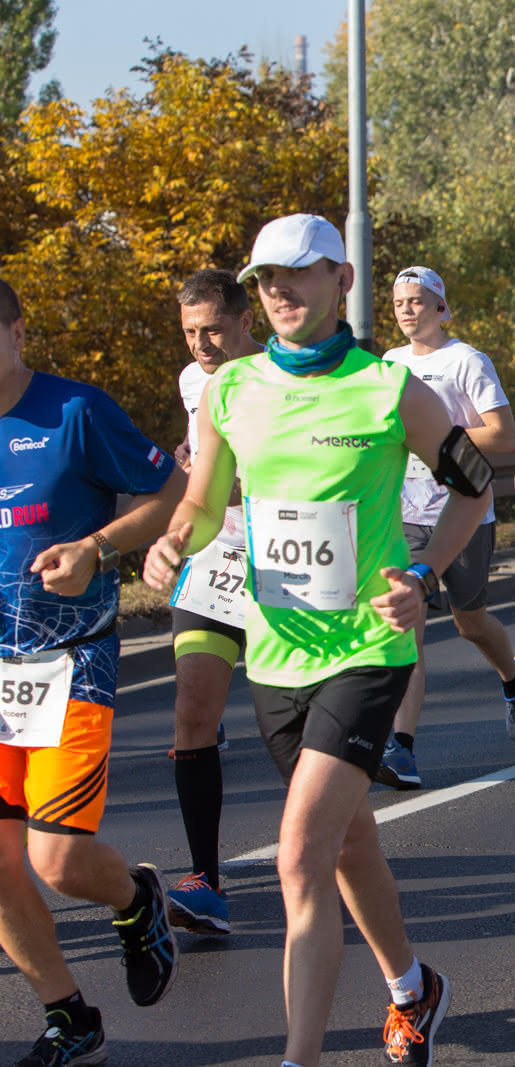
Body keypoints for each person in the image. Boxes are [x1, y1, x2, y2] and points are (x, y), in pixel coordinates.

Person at [143, 213, 494, 1065]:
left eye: (298, 275)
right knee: (348, 843)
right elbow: (202, 501)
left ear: (341, 278)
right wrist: (169, 542)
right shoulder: (231, 389)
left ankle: (299, 1056)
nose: (280, 293)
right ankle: (415, 986)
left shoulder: (387, 388)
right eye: (266, 280)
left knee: (300, 853)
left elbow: (478, 487)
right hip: (276, 653)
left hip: (370, 651)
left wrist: (423, 573)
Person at [0, 277, 185, 1066]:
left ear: (14, 329)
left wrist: (97, 549)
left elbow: (168, 488)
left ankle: (137, 897)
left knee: (57, 859)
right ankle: (69, 1015)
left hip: (69, 661)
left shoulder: (74, 411)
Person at [378, 266, 515, 791]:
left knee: (470, 623)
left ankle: (513, 677)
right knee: (406, 634)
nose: (406, 310)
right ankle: (401, 748)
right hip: (404, 516)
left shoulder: (467, 361)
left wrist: (435, 437)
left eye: (418, 301)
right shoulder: (388, 364)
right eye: (399, 302)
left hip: (463, 512)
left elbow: (504, 436)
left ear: (441, 308)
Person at [163, 269, 263, 938]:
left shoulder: (282, 377)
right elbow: (203, 469)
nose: (201, 343)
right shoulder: (192, 380)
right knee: (192, 711)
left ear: (244, 320)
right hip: (213, 563)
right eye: (190, 332)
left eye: (213, 330)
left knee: (301, 735)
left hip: (285, 570)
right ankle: (207, 880)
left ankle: (341, 855)